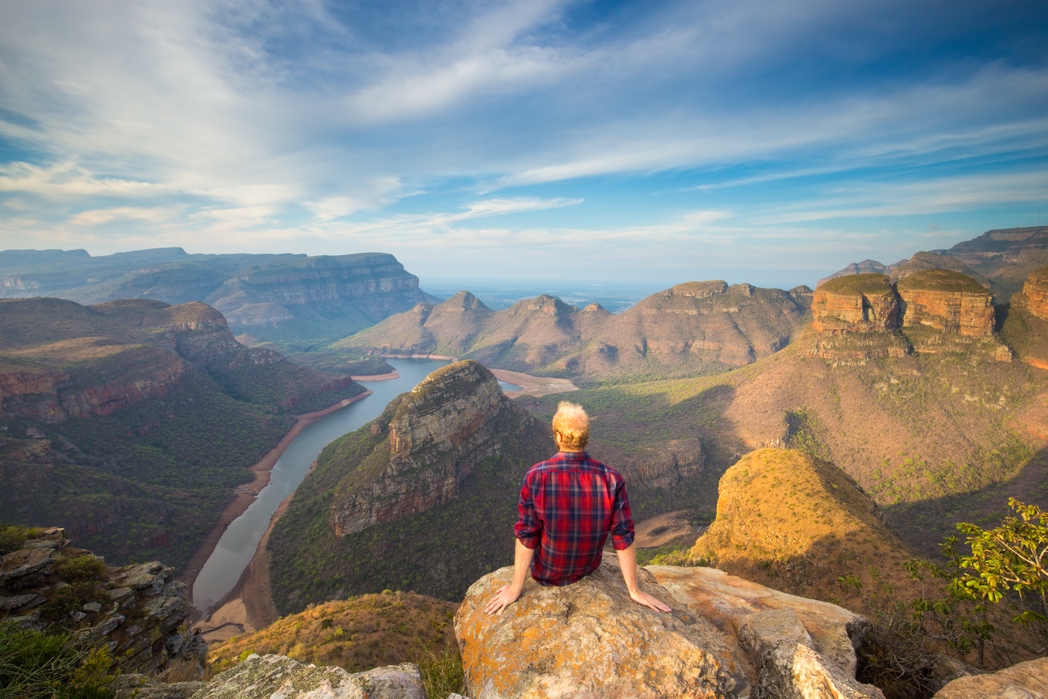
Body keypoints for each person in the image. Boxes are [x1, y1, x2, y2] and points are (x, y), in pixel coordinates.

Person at [485, 401, 670, 615]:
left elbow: (527, 535)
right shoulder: (611, 478)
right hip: (588, 568)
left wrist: (516, 588)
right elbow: (623, 535)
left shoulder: (536, 476)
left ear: (559, 437)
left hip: (546, 574)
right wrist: (633, 590)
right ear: (586, 437)